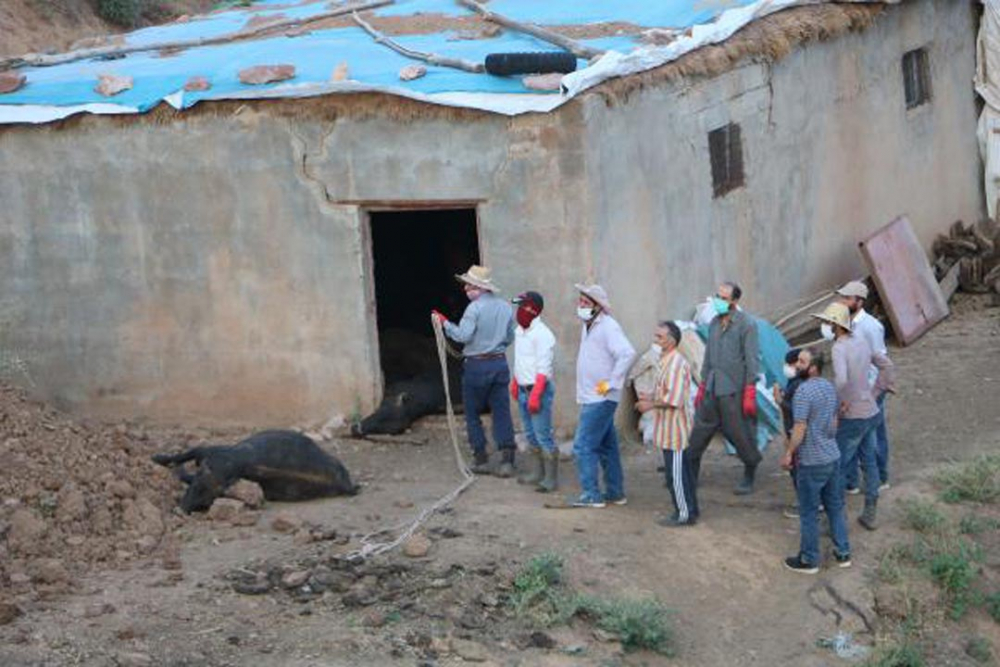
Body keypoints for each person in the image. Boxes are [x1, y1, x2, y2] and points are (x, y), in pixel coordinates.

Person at [814, 302, 894, 530]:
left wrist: (838, 405)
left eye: (828, 322)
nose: (825, 326)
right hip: (870, 408)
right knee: (869, 461)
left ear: (835, 325)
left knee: (837, 466)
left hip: (853, 415)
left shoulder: (839, 347)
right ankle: (870, 512)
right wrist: (878, 389)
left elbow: (841, 380)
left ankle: (833, 521)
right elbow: (886, 365)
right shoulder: (861, 340)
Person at [433, 265, 517, 477]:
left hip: (477, 365)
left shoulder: (474, 309)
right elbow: (510, 337)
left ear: (479, 288)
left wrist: (445, 323)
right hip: (499, 363)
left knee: (472, 413)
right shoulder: (506, 307)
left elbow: (462, 336)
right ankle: (507, 459)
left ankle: (481, 457)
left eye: (469, 285)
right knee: (501, 411)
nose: (466, 289)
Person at [686, 282, 763, 498]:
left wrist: (749, 389)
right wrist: (702, 383)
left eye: (724, 298)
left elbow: (751, 359)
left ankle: (750, 469)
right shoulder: (713, 323)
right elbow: (708, 355)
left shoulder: (747, 325)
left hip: (733, 390)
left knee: (739, 434)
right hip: (712, 386)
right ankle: (690, 475)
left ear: (735, 301)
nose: (719, 301)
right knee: (699, 432)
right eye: (717, 296)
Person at [780, 350, 852, 574]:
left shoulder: (803, 392)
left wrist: (789, 452)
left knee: (809, 512)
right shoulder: (829, 387)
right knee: (835, 507)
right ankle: (843, 552)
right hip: (832, 456)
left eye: (801, 362)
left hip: (811, 461)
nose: (796, 366)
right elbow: (834, 422)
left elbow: (799, 427)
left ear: (813, 368)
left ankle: (809, 559)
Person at [569, 283, 636, 508]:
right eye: (581, 301)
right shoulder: (588, 325)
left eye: (586, 303)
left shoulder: (608, 326)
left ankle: (591, 494)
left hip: (601, 397)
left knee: (583, 445)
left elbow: (627, 353)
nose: (581, 305)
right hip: (593, 395)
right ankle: (615, 492)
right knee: (607, 446)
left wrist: (612, 382)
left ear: (598, 307)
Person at [636, 321, 696, 526]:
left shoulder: (676, 364)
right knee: (678, 474)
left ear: (671, 341)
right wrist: (651, 396)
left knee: (676, 477)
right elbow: (667, 392)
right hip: (668, 429)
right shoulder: (666, 361)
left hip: (676, 431)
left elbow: (674, 400)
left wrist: (650, 404)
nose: (656, 340)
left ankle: (684, 514)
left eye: (660, 337)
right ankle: (689, 510)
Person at [836, 281, 892, 493]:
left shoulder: (871, 327)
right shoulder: (843, 321)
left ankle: (880, 477)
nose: (842, 302)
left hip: (868, 390)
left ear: (859, 301)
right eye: (842, 297)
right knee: (854, 434)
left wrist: (871, 393)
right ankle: (852, 481)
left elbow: (879, 362)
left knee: (873, 435)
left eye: (846, 298)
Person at [510, 291, 559, 492]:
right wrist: (515, 381)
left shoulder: (543, 334)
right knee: (530, 434)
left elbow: (543, 367)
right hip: (523, 388)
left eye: (523, 306)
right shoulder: (519, 331)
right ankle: (537, 473)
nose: (519, 310)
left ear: (532, 309)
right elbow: (521, 360)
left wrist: (536, 394)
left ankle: (550, 479)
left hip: (537, 390)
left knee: (542, 434)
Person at [774, 347, 809, 519]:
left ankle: (807, 504)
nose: (787, 367)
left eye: (790, 364)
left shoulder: (799, 384)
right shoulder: (794, 382)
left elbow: (798, 411)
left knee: (799, 469)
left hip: (796, 431)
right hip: (792, 429)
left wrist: (780, 401)